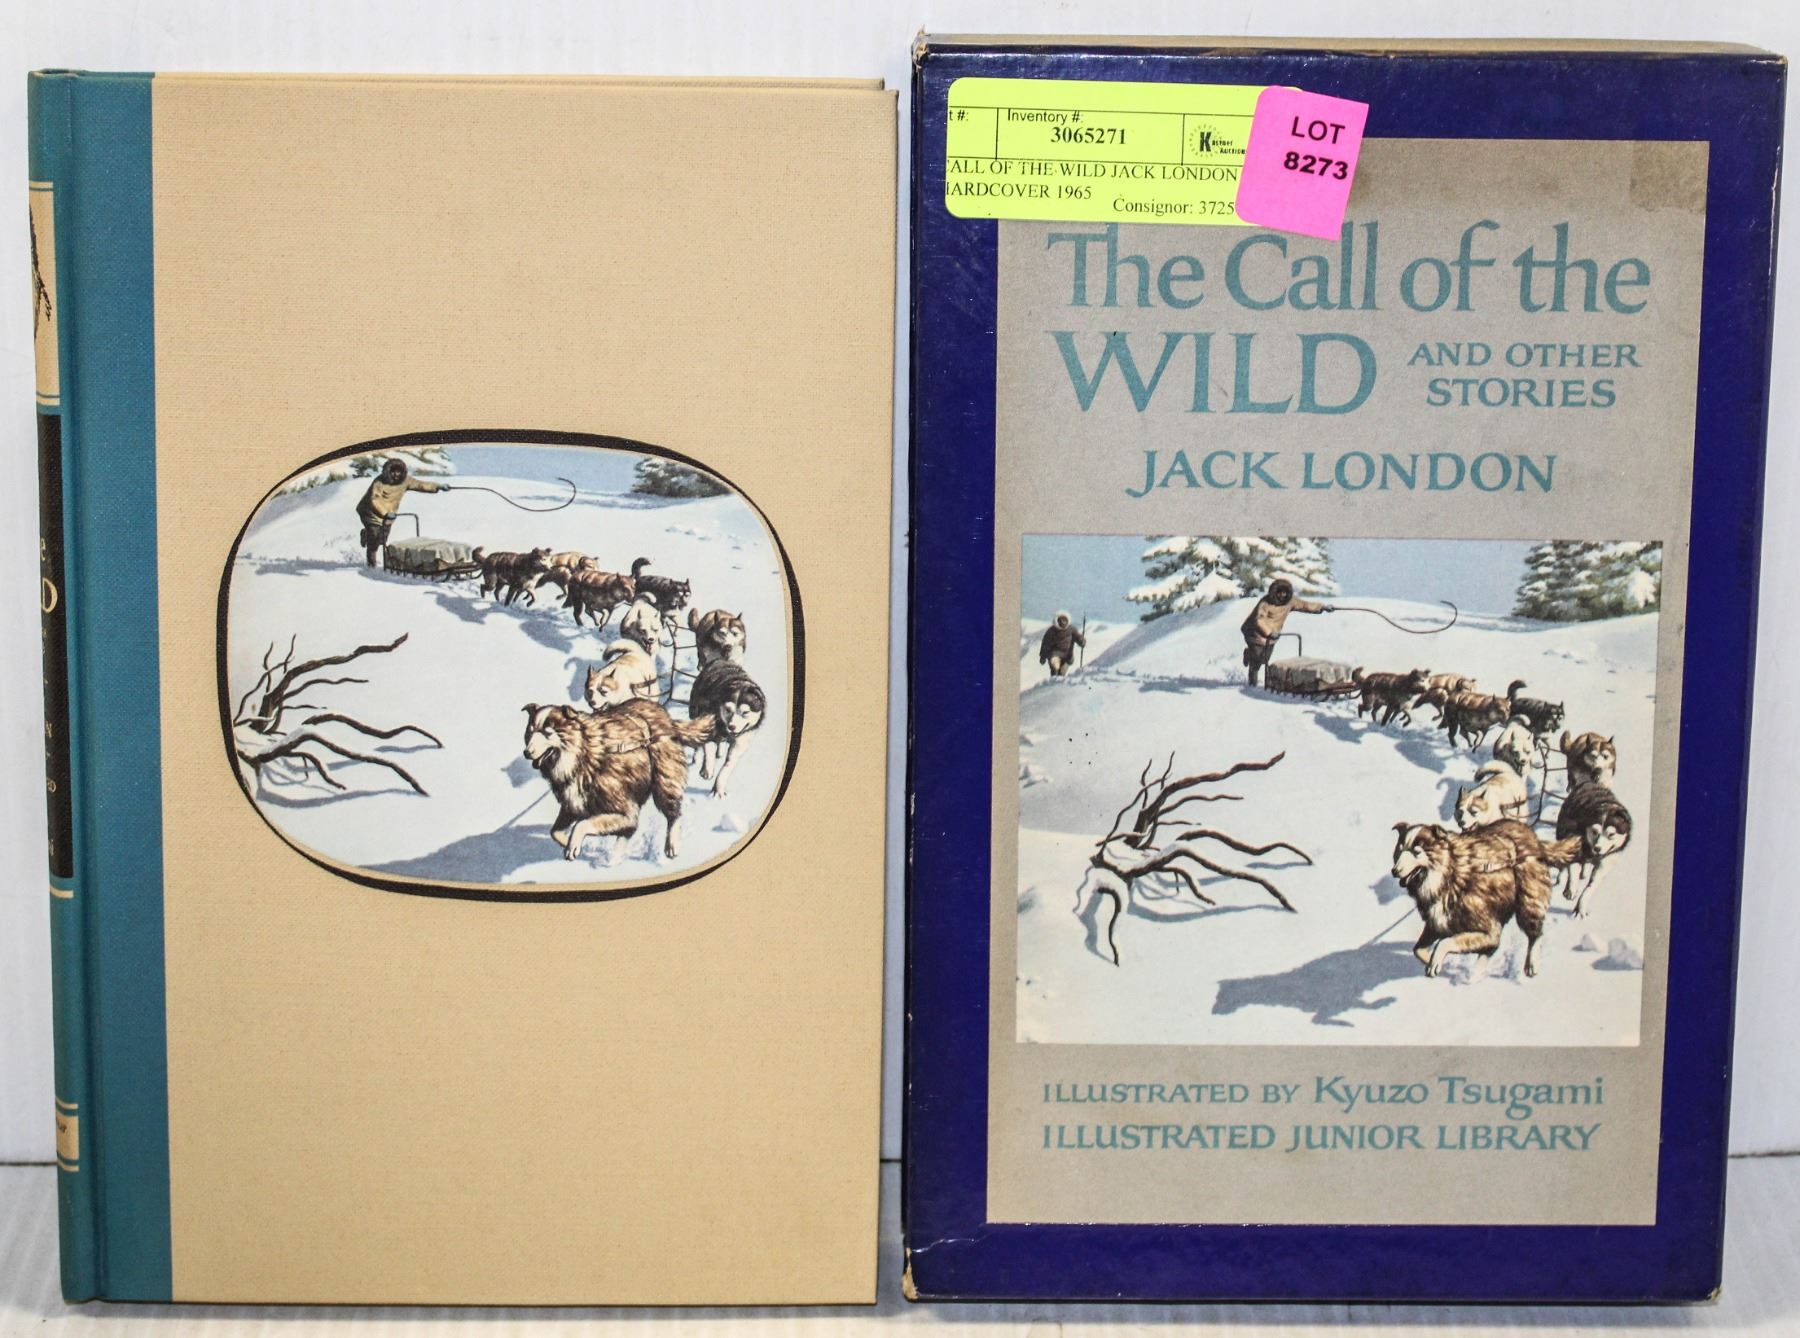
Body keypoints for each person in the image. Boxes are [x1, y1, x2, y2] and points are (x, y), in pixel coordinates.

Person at [355, 458, 451, 567]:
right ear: (388, 471)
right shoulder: (379, 482)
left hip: (389, 514)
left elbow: (420, 485)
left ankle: (365, 535)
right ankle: (371, 564)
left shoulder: (406, 481)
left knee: (382, 539)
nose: (396, 474)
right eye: (393, 471)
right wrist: (385, 513)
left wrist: (438, 486)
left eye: (399, 472)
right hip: (370, 512)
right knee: (374, 537)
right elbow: (374, 499)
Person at [1240, 578, 1332, 686]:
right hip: (1254, 632)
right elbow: (1259, 620)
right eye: (1279, 593)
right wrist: (1269, 632)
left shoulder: (1290, 602)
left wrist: (1322, 607)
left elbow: (1305, 605)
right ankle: (1252, 683)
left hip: (1272, 635)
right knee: (1256, 660)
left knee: (1265, 659)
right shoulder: (1265, 603)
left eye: (1284, 593)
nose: (1282, 595)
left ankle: (1249, 654)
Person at [1038, 612, 1086, 678]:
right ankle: (1054, 680)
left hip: (1067, 657)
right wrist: (1043, 656)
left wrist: (1082, 641)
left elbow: (1078, 637)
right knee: (1055, 671)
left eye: (1064, 621)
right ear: (1057, 621)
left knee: (1061, 674)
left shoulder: (1072, 630)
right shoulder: (1051, 631)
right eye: (1061, 621)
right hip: (1054, 655)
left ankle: (1058, 682)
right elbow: (1045, 644)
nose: (1063, 623)